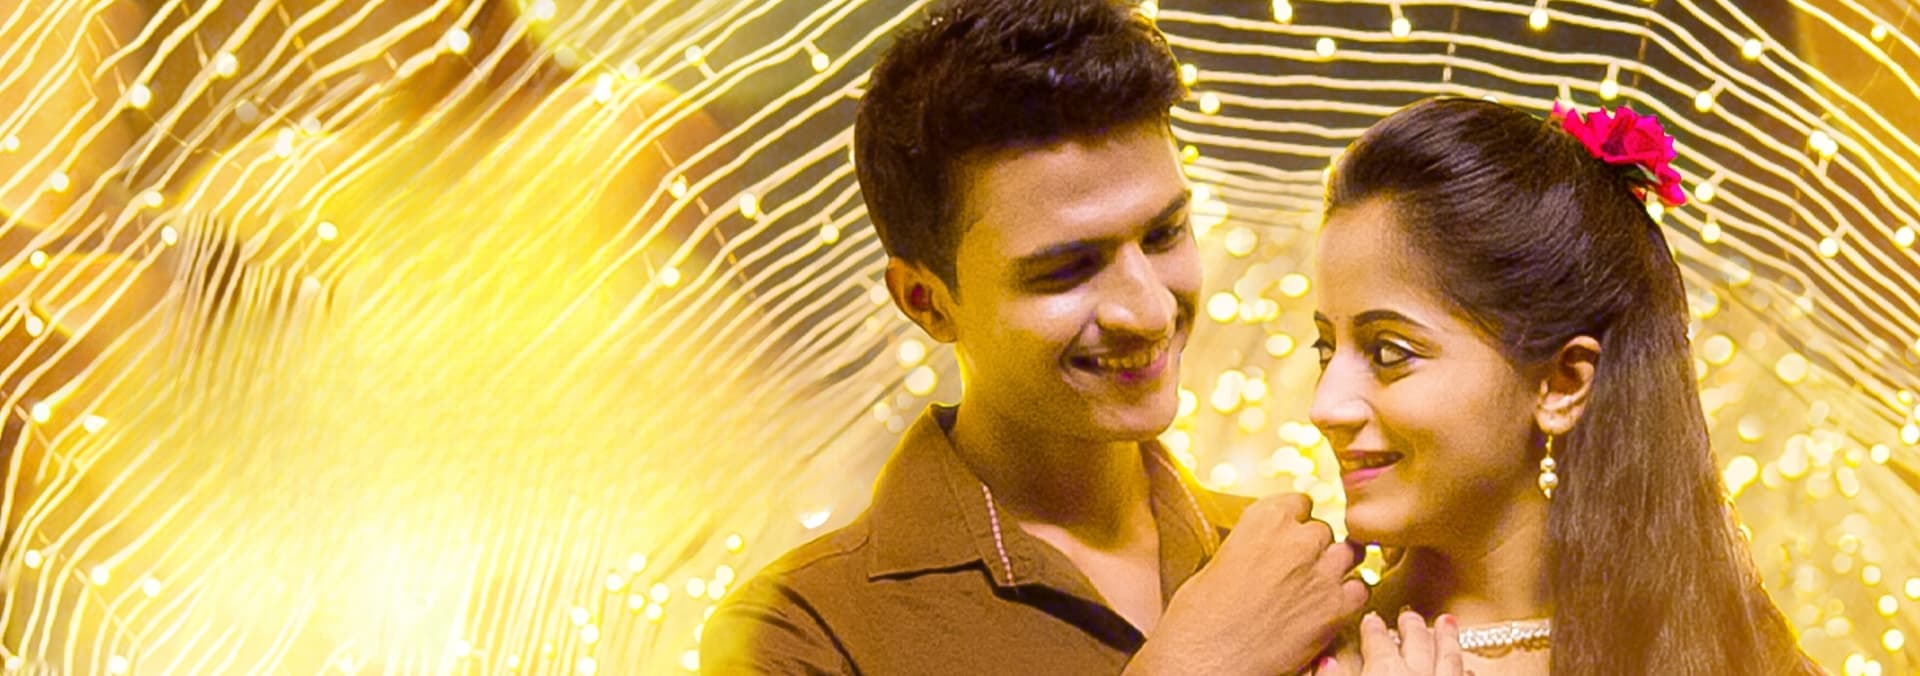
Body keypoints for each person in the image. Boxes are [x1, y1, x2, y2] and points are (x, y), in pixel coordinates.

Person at [700, 1, 1473, 674]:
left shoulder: (1298, 566)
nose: (1147, 310)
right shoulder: (802, 632)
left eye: (1164, 234)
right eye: (1067, 270)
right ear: (926, 302)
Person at [1307, 97, 1820, 674]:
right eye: (1325, 349)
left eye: (1389, 352)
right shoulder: (1292, 650)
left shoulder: (1734, 657)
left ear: (1561, 384)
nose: (1324, 406)